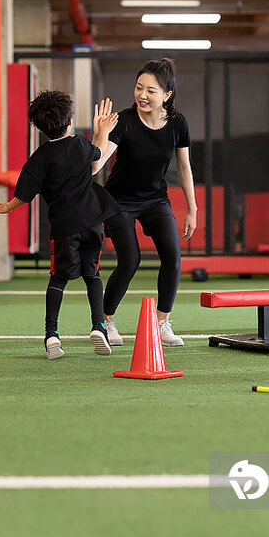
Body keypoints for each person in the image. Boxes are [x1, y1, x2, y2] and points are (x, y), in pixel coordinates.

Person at [0, 91, 120, 360]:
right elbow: (98, 158)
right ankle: (98, 326)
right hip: (93, 223)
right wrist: (102, 130)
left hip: (64, 229)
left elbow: (24, 194)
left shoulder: (39, 157)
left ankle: (51, 335)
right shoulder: (81, 146)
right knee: (93, 275)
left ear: (39, 128)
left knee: (58, 279)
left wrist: (7, 207)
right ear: (69, 121)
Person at [96, 58, 197, 347]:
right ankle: (106, 321)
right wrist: (100, 134)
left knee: (173, 257)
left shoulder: (178, 123)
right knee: (131, 260)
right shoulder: (124, 122)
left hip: (156, 200)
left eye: (151, 90)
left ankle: (162, 322)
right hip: (120, 201)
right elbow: (96, 165)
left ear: (166, 95)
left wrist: (192, 208)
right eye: (139, 87)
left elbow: (185, 168)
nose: (142, 95)